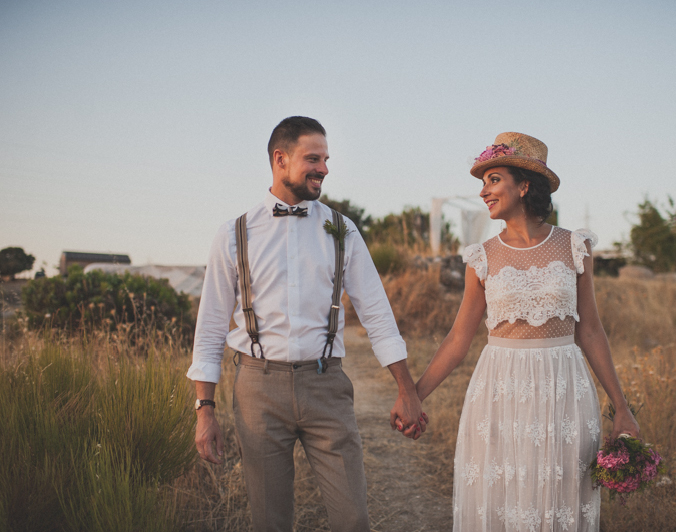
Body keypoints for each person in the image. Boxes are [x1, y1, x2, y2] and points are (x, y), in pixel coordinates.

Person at [187, 116, 426, 532]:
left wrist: (406, 389)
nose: (324, 168)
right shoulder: (233, 235)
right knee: (270, 521)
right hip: (258, 390)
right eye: (313, 158)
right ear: (280, 160)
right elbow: (209, 330)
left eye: (326, 159)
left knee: (353, 518)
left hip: (326, 387)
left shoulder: (343, 231)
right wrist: (204, 410)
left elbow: (378, 316)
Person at [414, 132, 639, 531]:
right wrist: (414, 395)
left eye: (493, 179)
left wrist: (621, 406)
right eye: (483, 182)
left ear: (524, 185)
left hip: (564, 388)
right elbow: (458, 338)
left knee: (560, 497)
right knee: (504, 498)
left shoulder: (575, 246)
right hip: (501, 391)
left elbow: (591, 332)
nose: (484, 191)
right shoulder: (481, 258)